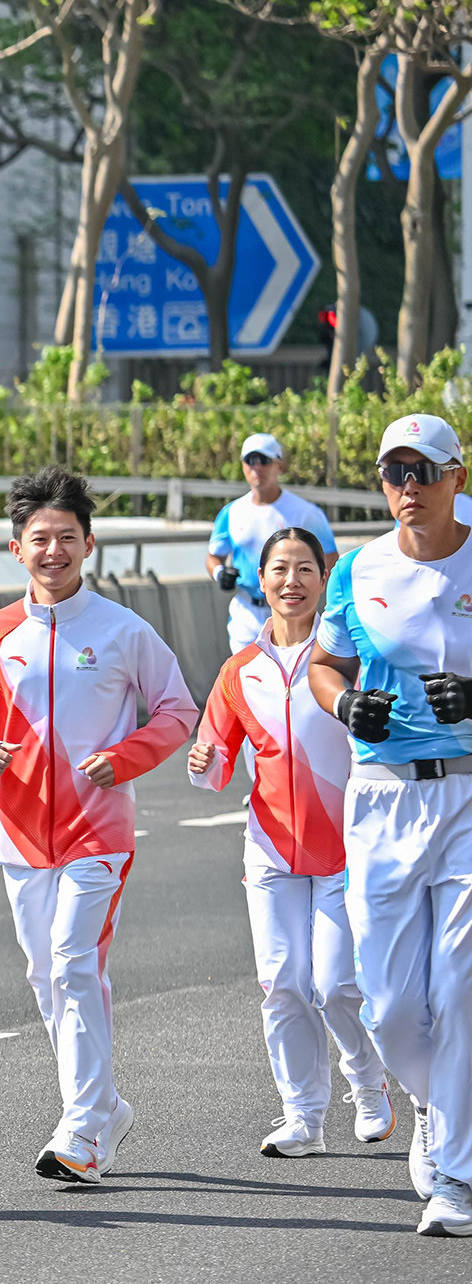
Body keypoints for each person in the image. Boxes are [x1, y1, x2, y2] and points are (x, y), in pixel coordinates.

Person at [0, 466, 197, 1186]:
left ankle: (81, 1129)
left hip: (97, 831)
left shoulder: (122, 631)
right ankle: (106, 1105)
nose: (54, 551)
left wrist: (127, 755)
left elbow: (178, 711)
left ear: (89, 545)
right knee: (47, 974)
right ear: (17, 549)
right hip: (18, 832)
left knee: (76, 962)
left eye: (68, 538)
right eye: (40, 539)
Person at [310, 412, 472, 1237]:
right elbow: (325, 663)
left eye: (422, 471)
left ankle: (457, 1177)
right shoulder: (356, 568)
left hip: (471, 792)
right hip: (380, 795)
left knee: (463, 985)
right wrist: (347, 703)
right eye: (391, 473)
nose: (406, 488)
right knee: (389, 1007)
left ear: (457, 476)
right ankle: (436, 1107)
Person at [187, 527, 394, 1157]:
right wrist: (202, 760)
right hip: (271, 848)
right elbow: (217, 766)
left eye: (305, 568)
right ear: (261, 578)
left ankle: (367, 1080)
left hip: (344, 847)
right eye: (279, 569)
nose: (291, 582)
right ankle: (302, 1116)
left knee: (335, 986)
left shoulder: (344, 662)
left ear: (324, 576)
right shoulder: (239, 670)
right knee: (281, 983)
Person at [208, 433, 339, 653]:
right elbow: (213, 556)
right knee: (247, 682)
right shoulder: (232, 512)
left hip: (292, 610)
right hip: (247, 612)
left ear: (280, 465)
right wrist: (220, 573)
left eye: (264, 461)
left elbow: (330, 559)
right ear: (242, 466)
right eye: (251, 461)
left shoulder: (306, 513)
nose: (257, 467)